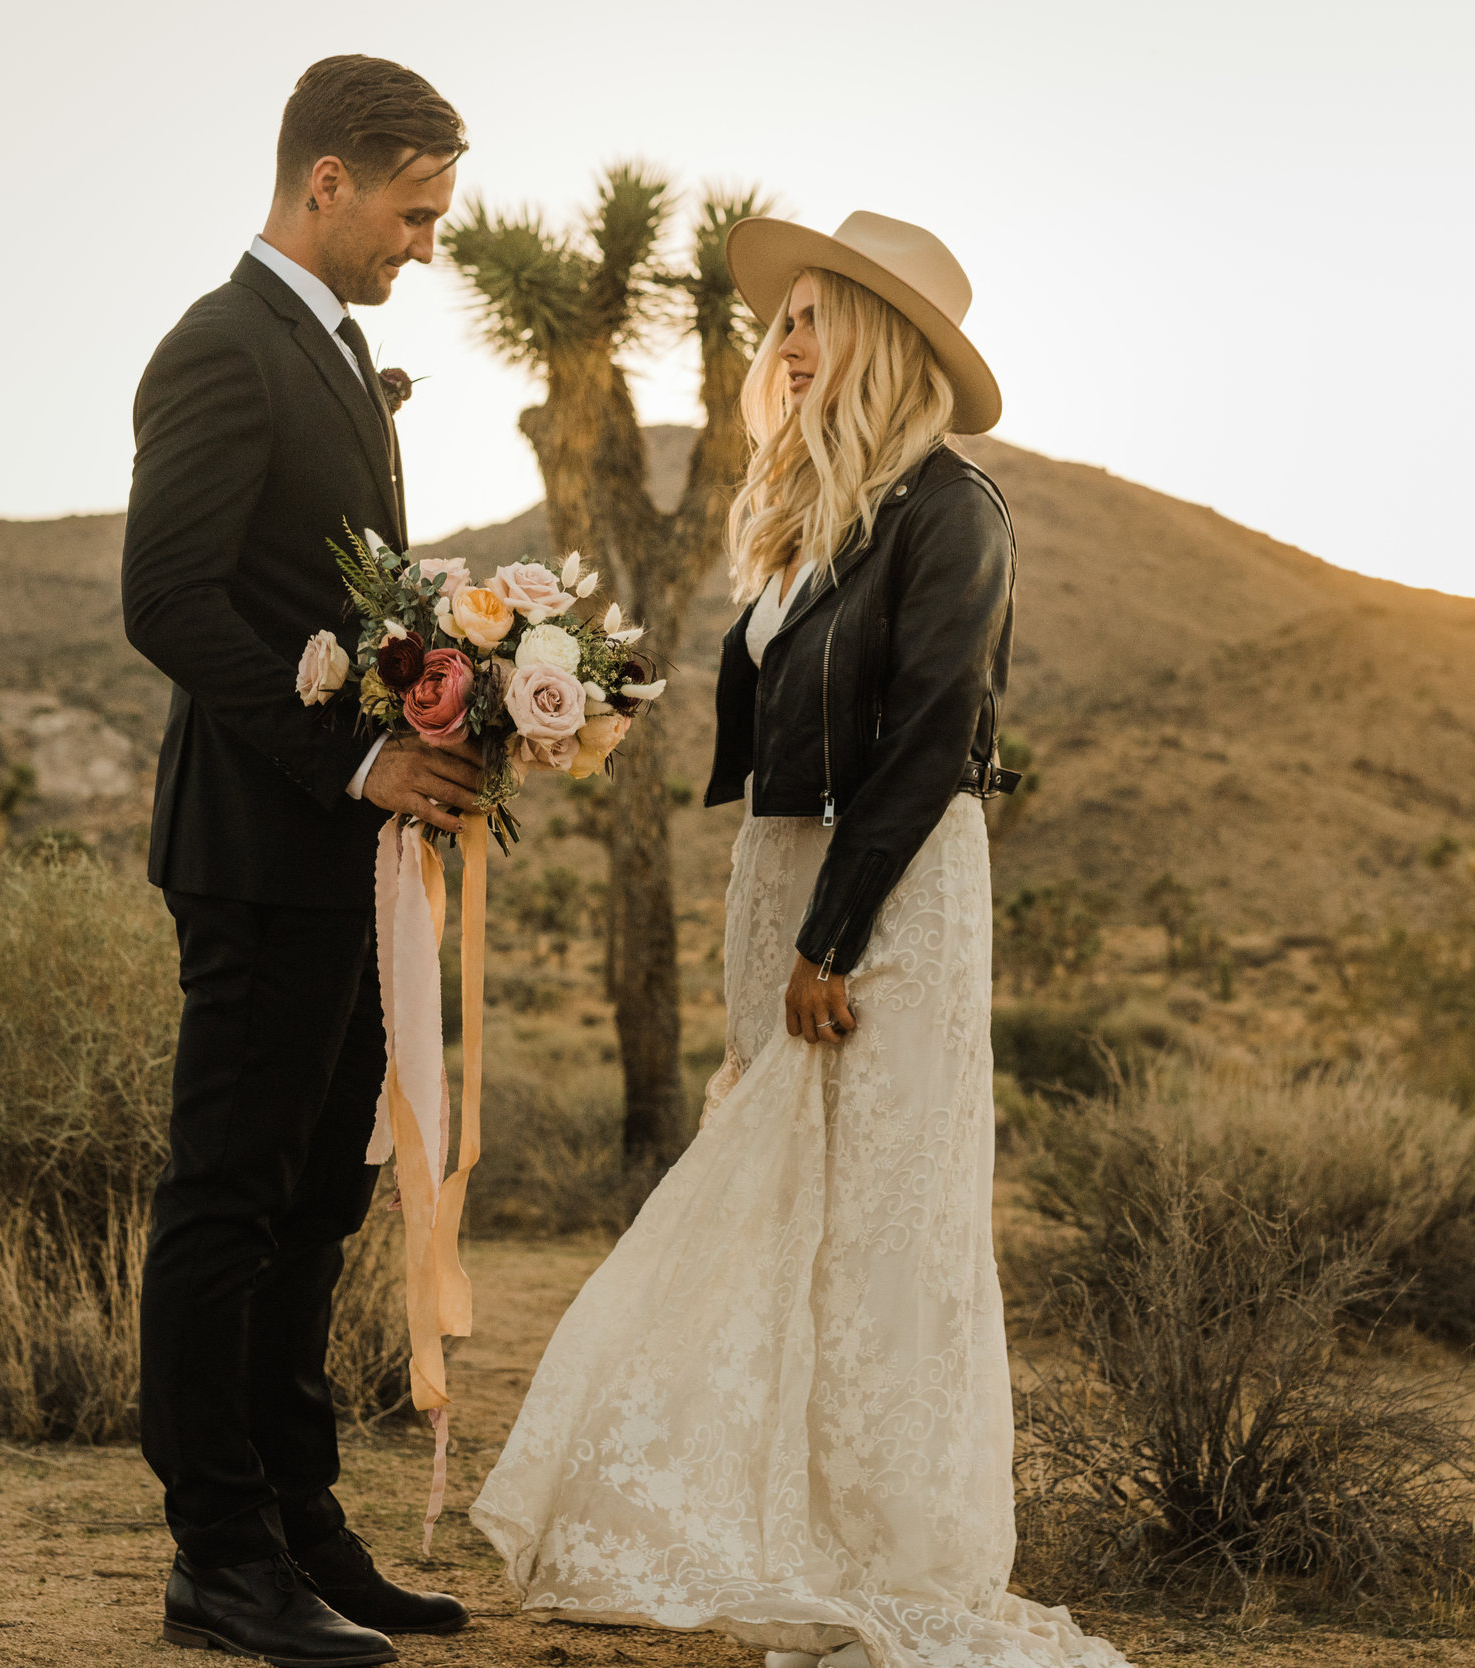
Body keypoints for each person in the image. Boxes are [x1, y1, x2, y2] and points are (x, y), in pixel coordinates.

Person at [469, 212, 1131, 1668]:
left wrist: (834, 936)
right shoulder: (805, 512)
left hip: (884, 895)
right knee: (788, 1199)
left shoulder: (954, 508)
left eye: (821, 315)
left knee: (880, 1209)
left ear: (888, 345)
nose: (787, 338)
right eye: (786, 317)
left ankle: (891, 1543)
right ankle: (787, 1518)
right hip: (783, 875)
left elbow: (931, 737)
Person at [119, 54, 482, 1665]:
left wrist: (452, 697)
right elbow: (170, 600)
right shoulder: (221, 348)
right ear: (326, 181)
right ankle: (215, 1556)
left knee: (317, 1202)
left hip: (345, 857)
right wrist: (356, 752)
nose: (423, 247)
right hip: (261, 848)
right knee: (230, 1198)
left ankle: (299, 1519)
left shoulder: (333, 355)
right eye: (413, 214)